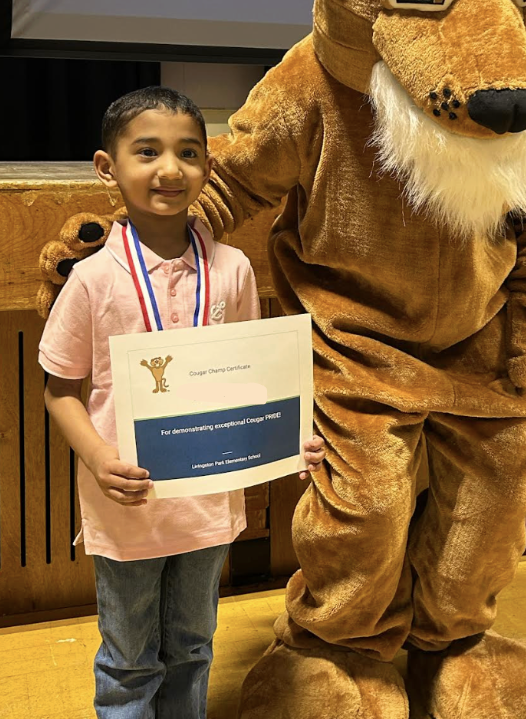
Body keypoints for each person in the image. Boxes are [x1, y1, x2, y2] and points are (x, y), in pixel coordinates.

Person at [38, 86, 326, 719]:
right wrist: (97, 457)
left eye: (188, 152)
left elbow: (254, 381)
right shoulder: (90, 279)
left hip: (207, 508)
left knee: (194, 649)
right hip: (128, 507)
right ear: (107, 168)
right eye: (147, 151)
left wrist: (289, 437)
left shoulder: (234, 270)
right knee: (129, 659)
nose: (169, 168)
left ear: (209, 168)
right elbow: (61, 392)